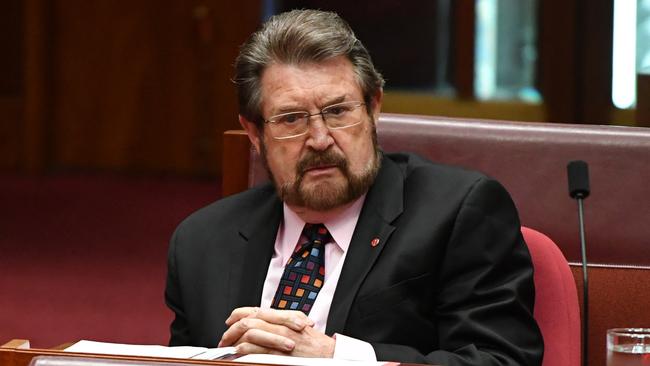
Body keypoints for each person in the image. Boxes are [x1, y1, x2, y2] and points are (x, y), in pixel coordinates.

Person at [165, 9, 543, 365]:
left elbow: (500, 360)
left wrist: (336, 357)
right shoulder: (202, 241)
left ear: (374, 106)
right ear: (254, 132)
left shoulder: (458, 212)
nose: (319, 138)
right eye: (292, 118)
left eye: (338, 111)